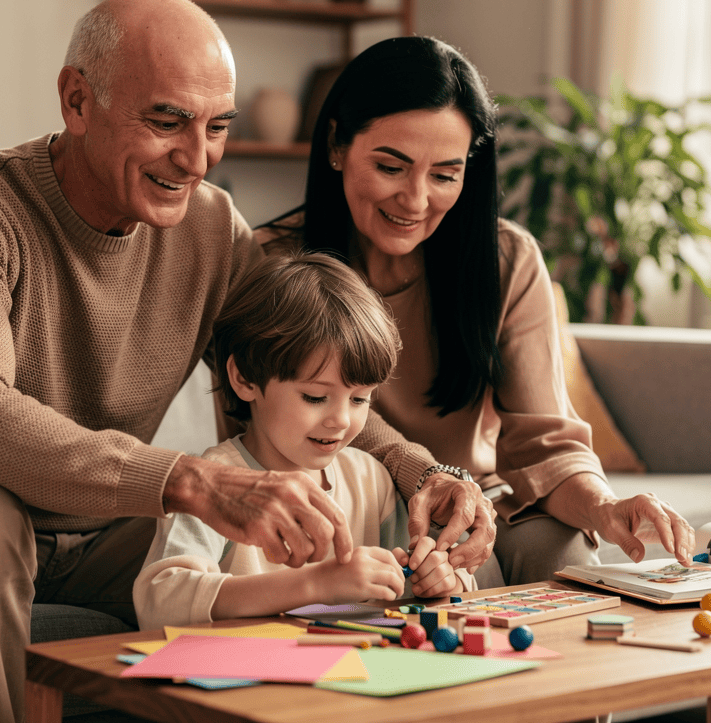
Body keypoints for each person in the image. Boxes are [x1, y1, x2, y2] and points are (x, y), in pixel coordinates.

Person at [0, 0, 369, 723]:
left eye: (217, 127)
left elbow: (309, 372)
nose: (198, 160)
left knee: (260, 542)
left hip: (86, 534)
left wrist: (429, 475)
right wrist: (184, 479)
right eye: (168, 121)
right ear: (76, 101)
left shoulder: (212, 230)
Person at [258, 35, 696, 589]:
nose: (416, 200)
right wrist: (423, 478)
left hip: (482, 498)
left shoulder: (506, 259)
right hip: (343, 500)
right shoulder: (270, 263)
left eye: (444, 174)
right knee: (463, 572)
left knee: (565, 552)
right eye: (392, 167)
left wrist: (606, 509)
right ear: (337, 146)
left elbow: (545, 443)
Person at [134, 252, 474, 630]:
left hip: (354, 675)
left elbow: (423, 582)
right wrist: (315, 584)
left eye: (360, 398)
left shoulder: (371, 481)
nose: (342, 420)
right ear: (245, 379)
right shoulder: (216, 485)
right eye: (314, 397)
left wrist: (442, 577)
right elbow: (158, 601)